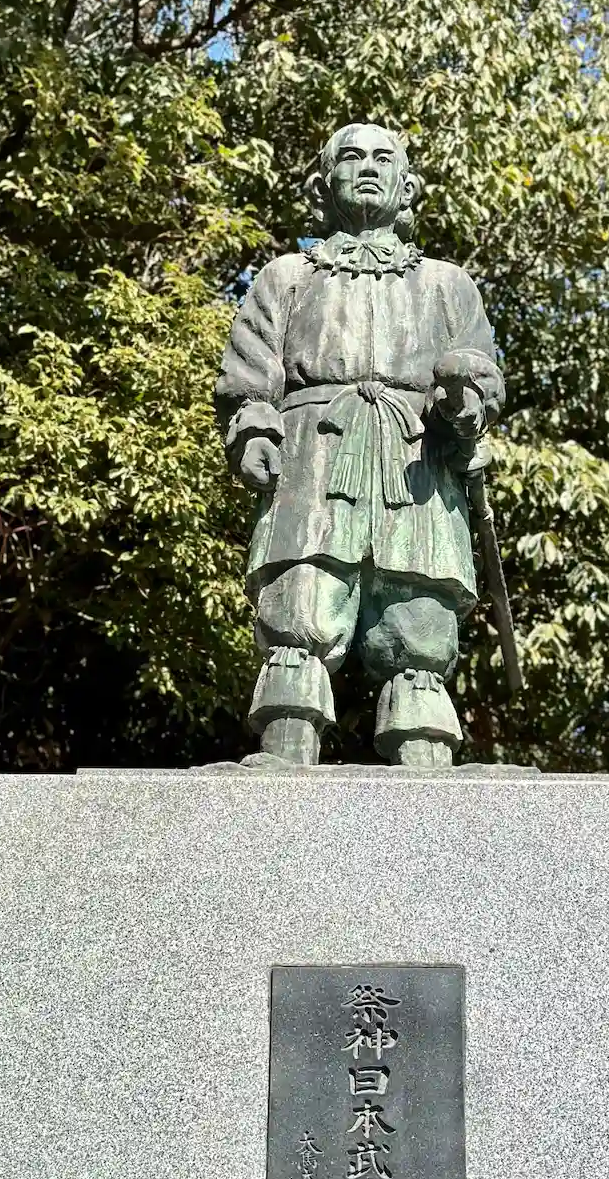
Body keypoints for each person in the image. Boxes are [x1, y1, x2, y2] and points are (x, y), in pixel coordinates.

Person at [214, 122, 504, 766]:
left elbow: (482, 376)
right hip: (313, 458)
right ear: (323, 186)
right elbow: (249, 375)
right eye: (350, 156)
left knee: (418, 618)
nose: (367, 167)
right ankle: (285, 750)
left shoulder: (447, 284)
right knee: (302, 599)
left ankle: (425, 762)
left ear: (408, 187)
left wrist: (465, 406)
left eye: (382, 158)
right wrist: (253, 428)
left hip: (416, 463)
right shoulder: (286, 277)